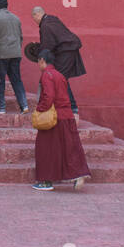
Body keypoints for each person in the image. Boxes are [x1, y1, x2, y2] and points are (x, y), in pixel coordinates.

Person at [31, 49, 91, 191]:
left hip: (54, 118)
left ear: (42, 60)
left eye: (38, 62)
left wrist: (39, 109)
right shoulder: (59, 75)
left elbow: (49, 97)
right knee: (69, 148)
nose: (38, 65)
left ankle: (45, 181)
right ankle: (79, 174)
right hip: (67, 116)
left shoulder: (47, 75)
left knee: (45, 149)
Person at [30, 7, 85, 115]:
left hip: (66, 52)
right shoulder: (52, 19)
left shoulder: (45, 25)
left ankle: (72, 107)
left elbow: (48, 46)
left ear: (37, 15)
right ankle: (69, 107)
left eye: (34, 18)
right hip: (69, 50)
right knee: (61, 78)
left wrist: (39, 52)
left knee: (61, 78)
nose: (35, 21)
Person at [0, 0, 29, 114]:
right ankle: (24, 105)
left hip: (1, 54)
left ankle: (0, 107)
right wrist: (16, 49)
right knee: (16, 80)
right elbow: (20, 37)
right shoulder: (16, 18)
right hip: (15, 54)